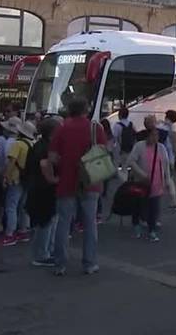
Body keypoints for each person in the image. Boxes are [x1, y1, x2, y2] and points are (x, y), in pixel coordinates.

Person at [46, 97, 107, 276]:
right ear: (86, 109)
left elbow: (52, 157)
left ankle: (60, 264)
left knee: (63, 223)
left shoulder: (62, 128)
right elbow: (104, 152)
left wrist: (65, 163)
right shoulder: (96, 128)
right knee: (90, 224)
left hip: (67, 181)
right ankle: (89, 263)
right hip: (91, 180)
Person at [126, 115, 170, 243]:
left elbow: (165, 164)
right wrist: (141, 174)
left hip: (156, 184)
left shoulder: (161, 148)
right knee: (138, 205)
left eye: (157, 136)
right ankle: (136, 226)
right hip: (141, 183)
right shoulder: (140, 146)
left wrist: (167, 180)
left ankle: (152, 231)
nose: (155, 138)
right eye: (153, 136)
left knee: (153, 208)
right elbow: (131, 161)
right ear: (148, 136)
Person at [25, 117, 61, 267]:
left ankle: (47, 250)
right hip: (44, 189)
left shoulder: (40, 145)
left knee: (49, 221)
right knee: (46, 222)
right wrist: (53, 179)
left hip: (39, 187)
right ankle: (42, 254)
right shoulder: (45, 147)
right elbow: (45, 164)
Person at [2, 120, 37, 246]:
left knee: (11, 206)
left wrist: (6, 176)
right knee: (23, 206)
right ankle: (23, 230)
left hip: (16, 177)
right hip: (28, 178)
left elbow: (12, 162)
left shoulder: (17, 144)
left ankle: (10, 233)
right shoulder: (33, 143)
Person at [161, 110, 176, 211]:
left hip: (164, 157)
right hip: (172, 157)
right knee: (169, 179)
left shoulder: (163, 128)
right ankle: (173, 201)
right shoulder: (173, 128)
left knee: (167, 180)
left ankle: (173, 201)